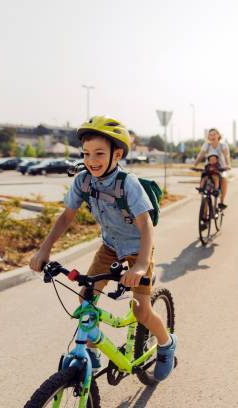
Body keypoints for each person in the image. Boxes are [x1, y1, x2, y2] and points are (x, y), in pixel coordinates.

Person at [29, 115, 177, 381]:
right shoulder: (83, 181)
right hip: (110, 246)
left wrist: (141, 264)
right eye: (86, 153)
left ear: (116, 154)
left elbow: (145, 227)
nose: (91, 160)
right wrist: (44, 251)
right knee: (86, 297)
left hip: (136, 247)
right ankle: (93, 353)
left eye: (99, 153)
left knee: (140, 310)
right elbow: (65, 217)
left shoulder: (127, 183)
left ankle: (166, 344)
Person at [193, 128, 231, 209]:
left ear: (218, 135)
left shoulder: (223, 145)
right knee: (204, 179)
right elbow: (201, 155)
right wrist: (195, 165)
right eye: (210, 135)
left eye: (214, 134)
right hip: (209, 168)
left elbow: (226, 155)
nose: (212, 136)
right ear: (208, 137)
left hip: (220, 167)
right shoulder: (206, 145)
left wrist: (228, 164)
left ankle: (221, 202)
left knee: (224, 178)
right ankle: (204, 209)